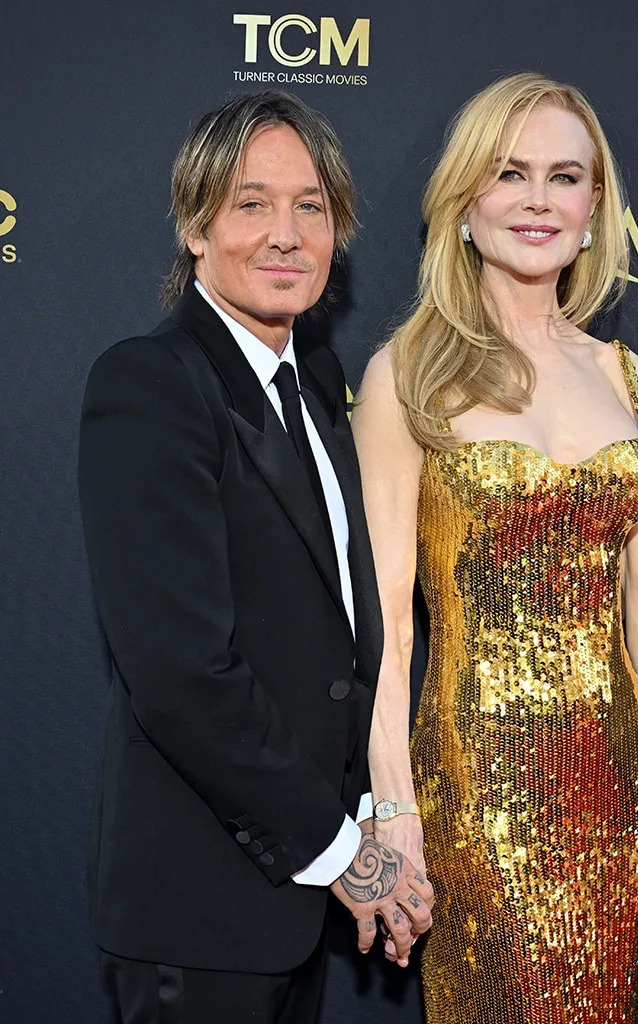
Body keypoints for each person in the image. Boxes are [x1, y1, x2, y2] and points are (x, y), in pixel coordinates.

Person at [352, 72, 638, 1023]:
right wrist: (394, 812)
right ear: (465, 203)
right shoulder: (407, 375)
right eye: (509, 173)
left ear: (594, 205)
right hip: (475, 792)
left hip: (611, 799)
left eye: (563, 176)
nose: (536, 200)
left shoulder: (633, 381)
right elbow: (382, 626)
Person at [77, 90, 433, 1024]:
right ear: (195, 229)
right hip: (197, 912)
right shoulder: (150, 384)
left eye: (309, 206)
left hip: (291, 903)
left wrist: (366, 826)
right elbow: (183, 674)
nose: (285, 234)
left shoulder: (315, 382)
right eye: (250, 203)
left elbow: (332, 642)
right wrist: (344, 855)